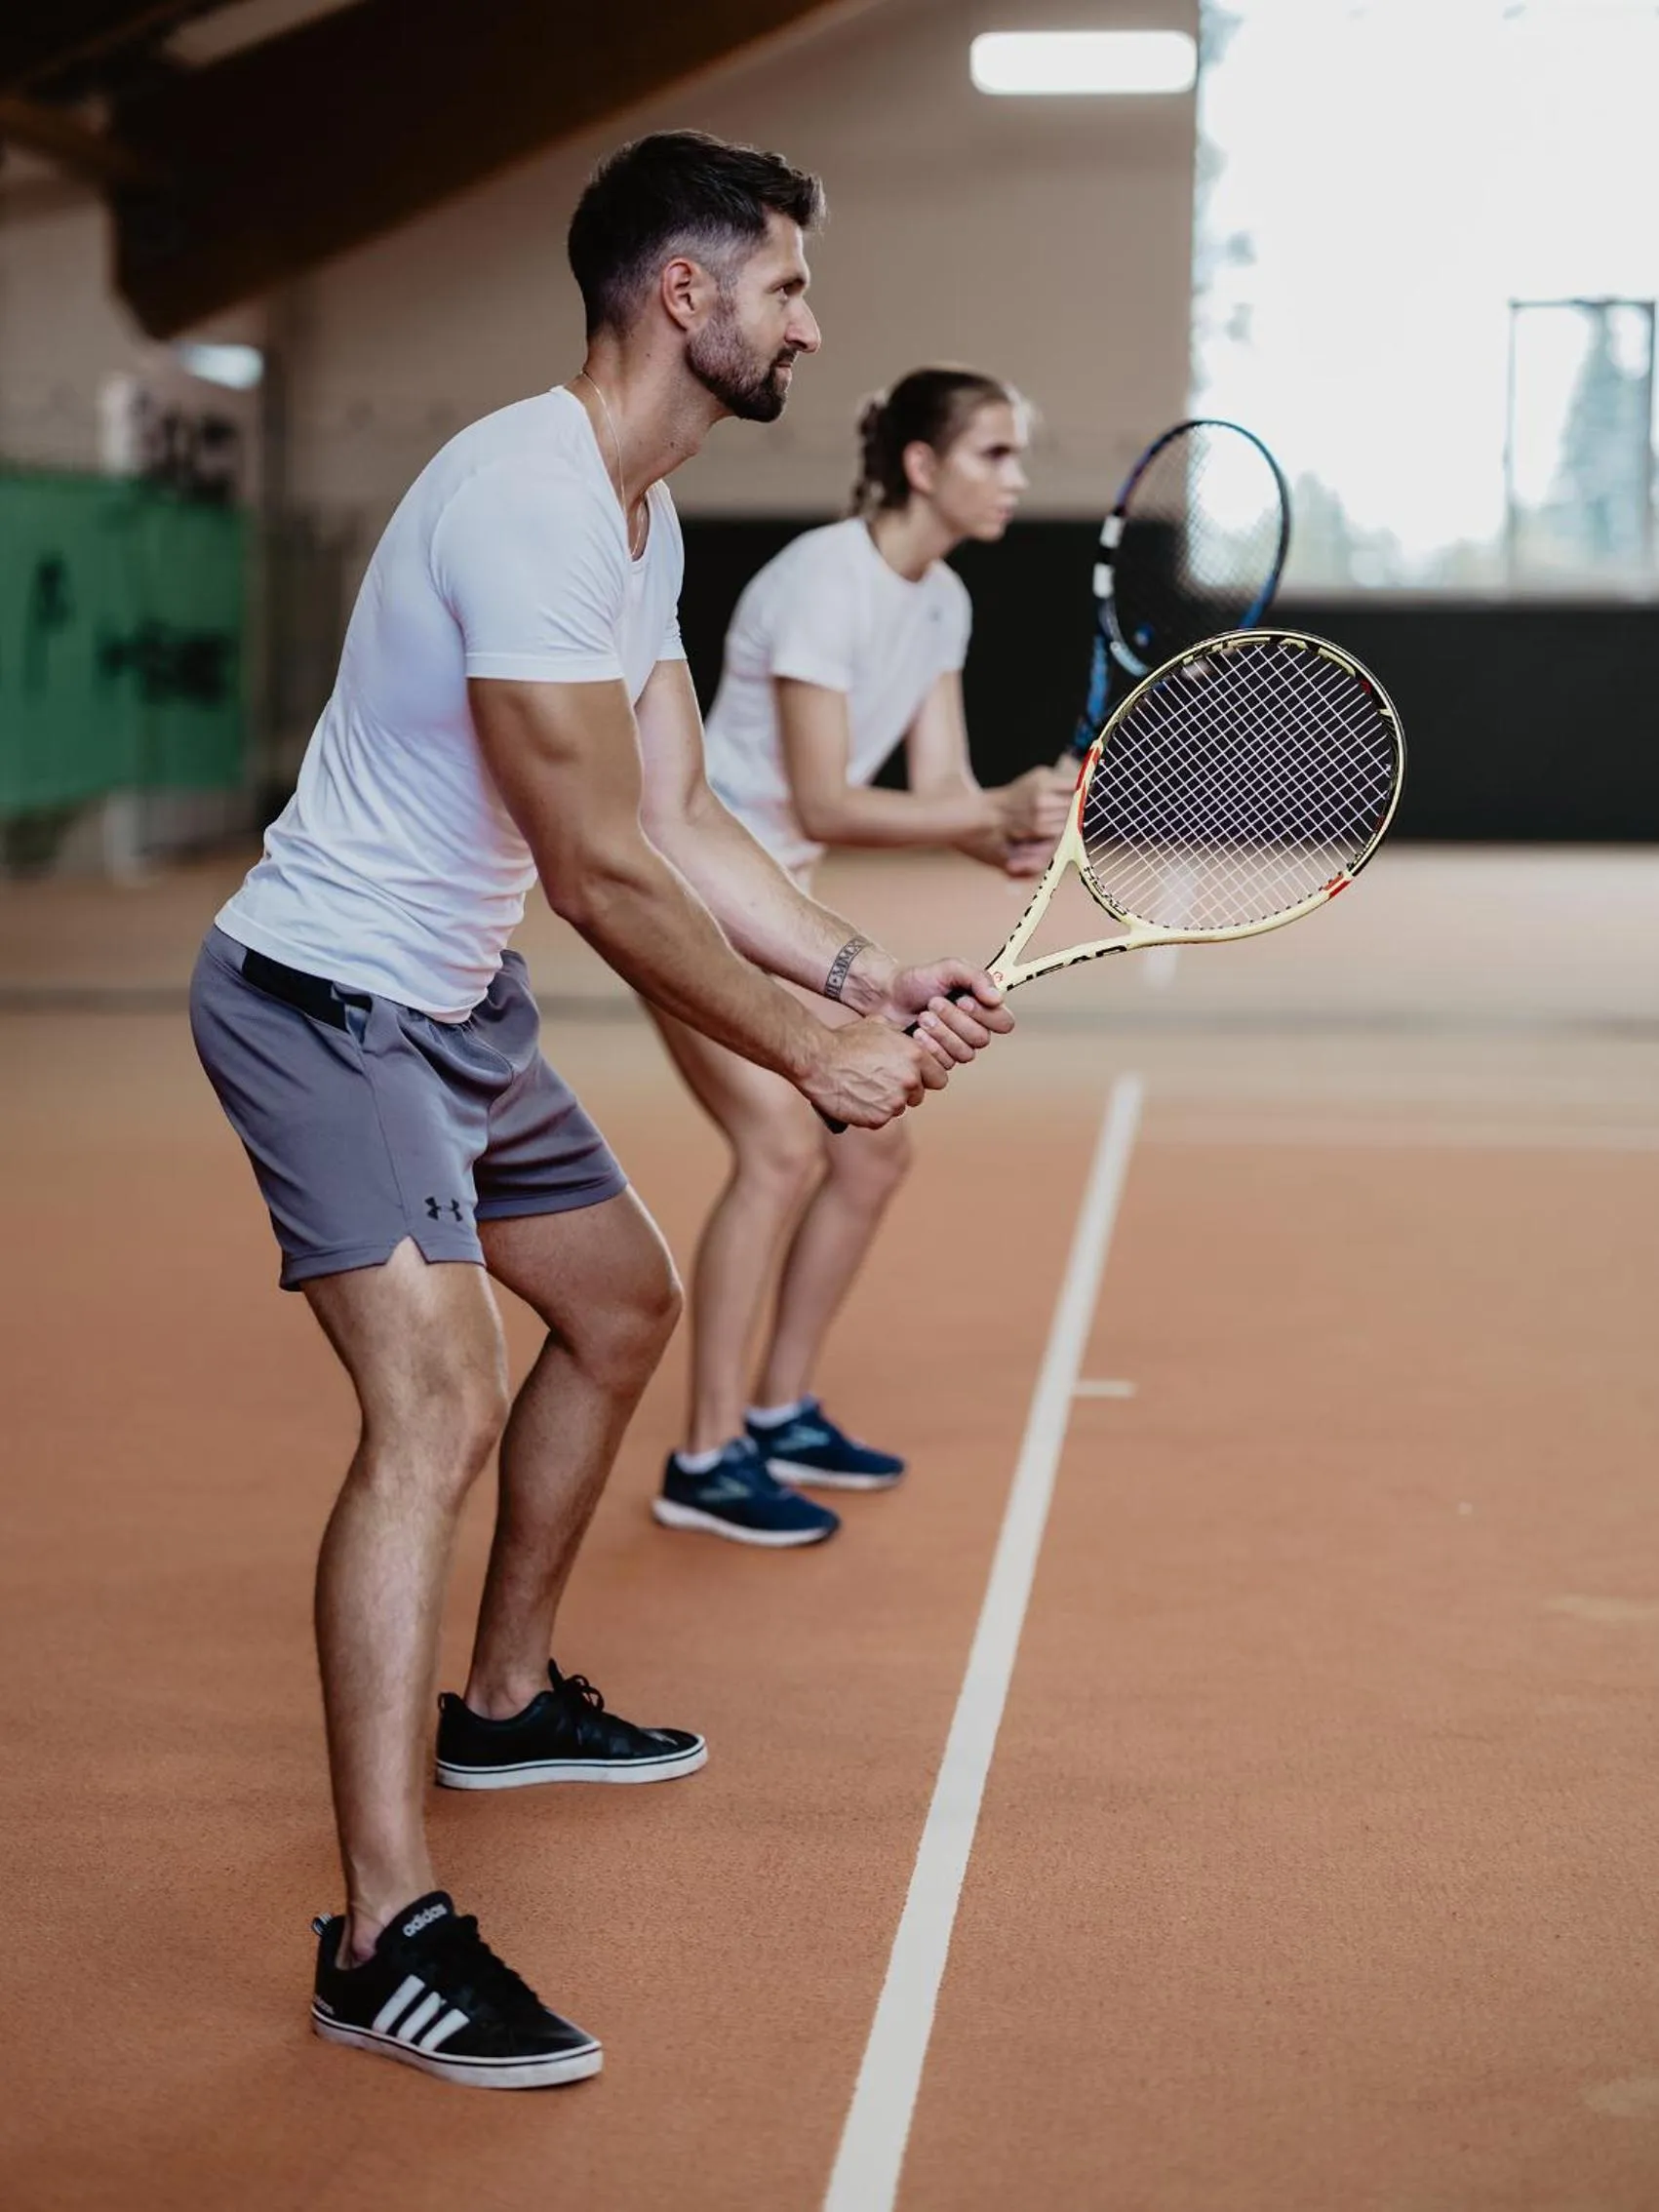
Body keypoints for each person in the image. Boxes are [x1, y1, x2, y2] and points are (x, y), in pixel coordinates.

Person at [189, 131, 1014, 2090]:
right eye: (787, 288)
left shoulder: (638, 518)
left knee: (625, 1309)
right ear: (682, 293)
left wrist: (845, 972)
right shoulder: (529, 495)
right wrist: (808, 1060)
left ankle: (503, 1696)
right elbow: (591, 867)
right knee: (438, 1405)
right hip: (325, 1001)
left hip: (454, 998)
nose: (810, 325)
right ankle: (381, 1936)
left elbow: (679, 819)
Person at [647, 370, 1070, 1546]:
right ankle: (704, 1457)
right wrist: (986, 807)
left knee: (871, 1161)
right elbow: (828, 802)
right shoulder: (820, 582)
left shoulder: (941, 602)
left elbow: (938, 791)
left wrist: (997, 830)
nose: (1017, 479)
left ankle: (778, 1412)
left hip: (788, 904)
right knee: (780, 1150)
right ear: (922, 467)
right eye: (994, 453)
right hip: (695, 892)